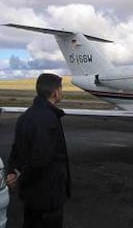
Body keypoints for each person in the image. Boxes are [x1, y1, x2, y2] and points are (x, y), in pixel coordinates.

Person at [6, 73, 71, 228]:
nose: (62, 92)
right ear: (55, 92)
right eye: (61, 89)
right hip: (47, 197)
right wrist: (21, 178)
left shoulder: (25, 117)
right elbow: (41, 159)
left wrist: (11, 172)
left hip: (30, 197)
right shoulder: (49, 119)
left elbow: (16, 149)